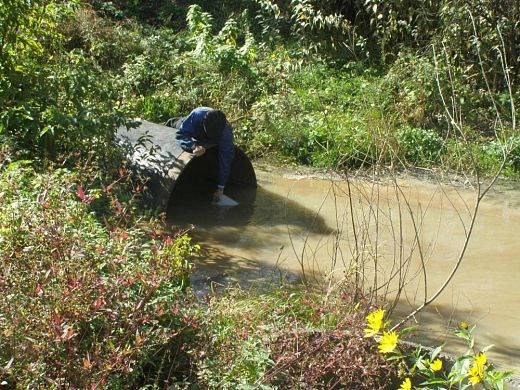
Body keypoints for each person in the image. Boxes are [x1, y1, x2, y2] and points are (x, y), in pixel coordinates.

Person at [172, 107, 235, 202]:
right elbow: (181, 135)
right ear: (204, 124)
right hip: (194, 129)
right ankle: (171, 121)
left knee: (226, 154)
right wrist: (193, 146)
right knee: (174, 123)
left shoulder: (225, 133)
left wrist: (220, 188)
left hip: (211, 137)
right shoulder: (197, 116)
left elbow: (225, 161)